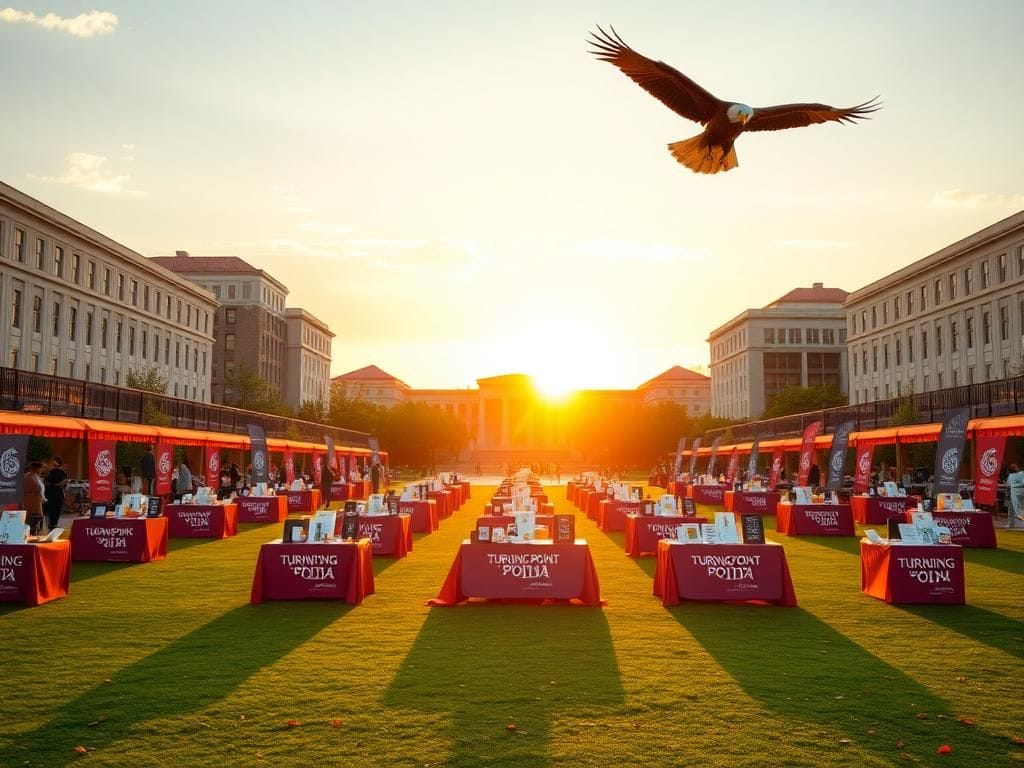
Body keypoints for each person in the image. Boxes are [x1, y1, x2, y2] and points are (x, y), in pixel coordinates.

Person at [43, 456, 68, 531]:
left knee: (54, 508)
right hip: (54, 492)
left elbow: (46, 481)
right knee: (54, 508)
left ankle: (53, 524)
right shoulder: (53, 471)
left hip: (53, 492)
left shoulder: (58, 472)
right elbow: (64, 482)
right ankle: (53, 524)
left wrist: (53, 484)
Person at [23, 461, 46, 535]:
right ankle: (32, 533)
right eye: (40, 468)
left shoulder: (34, 476)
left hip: (36, 500)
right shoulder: (29, 477)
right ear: (36, 469)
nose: (41, 470)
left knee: (36, 519)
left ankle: (35, 532)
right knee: (33, 518)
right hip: (31, 501)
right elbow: (37, 488)